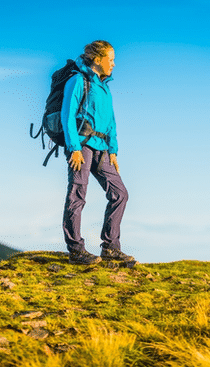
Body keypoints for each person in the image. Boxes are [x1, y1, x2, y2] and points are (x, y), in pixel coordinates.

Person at [61, 40, 135, 265]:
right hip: (82, 146)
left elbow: (111, 121)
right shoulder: (77, 81)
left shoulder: (104, 88)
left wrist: (113, 151)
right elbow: (67, 115)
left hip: (103, 150)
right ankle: (76, 250)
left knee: (120, 193)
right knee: (77, 195)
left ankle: (110, 247)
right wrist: (74, 148)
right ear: (97, 59)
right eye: (110, 59)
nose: (113, 64)